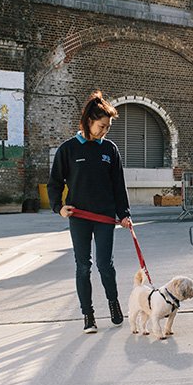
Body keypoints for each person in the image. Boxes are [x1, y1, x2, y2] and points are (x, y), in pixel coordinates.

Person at [48, 91, 132, 334]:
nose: (104, 131)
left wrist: (124, 213)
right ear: (88, 121)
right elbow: (55, 183)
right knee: (83, 266)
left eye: (107, 127)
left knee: (106, 265)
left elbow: (118, 185)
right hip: (79, 217)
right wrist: (59, 207)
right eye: (101, 126)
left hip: (105, 217)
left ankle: (113, 303)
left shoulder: (110, 150)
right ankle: (88, 315)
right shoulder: (68, 149)